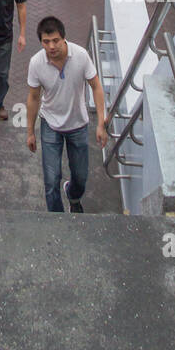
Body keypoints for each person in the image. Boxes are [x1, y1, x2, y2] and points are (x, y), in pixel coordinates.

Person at [26, 16, 107, 213]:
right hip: (50, 125)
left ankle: (73, 196)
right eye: (46, 42)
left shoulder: (80, 56)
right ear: (41, 42)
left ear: (64, 39)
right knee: (51, 180)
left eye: (55, 40)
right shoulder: (36, 63)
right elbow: (34, 98)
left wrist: (101, 123)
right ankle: (58, 221)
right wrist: (30, 132)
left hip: (78, 124)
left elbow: (96, 86)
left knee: (80, 177)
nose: (51, 46)